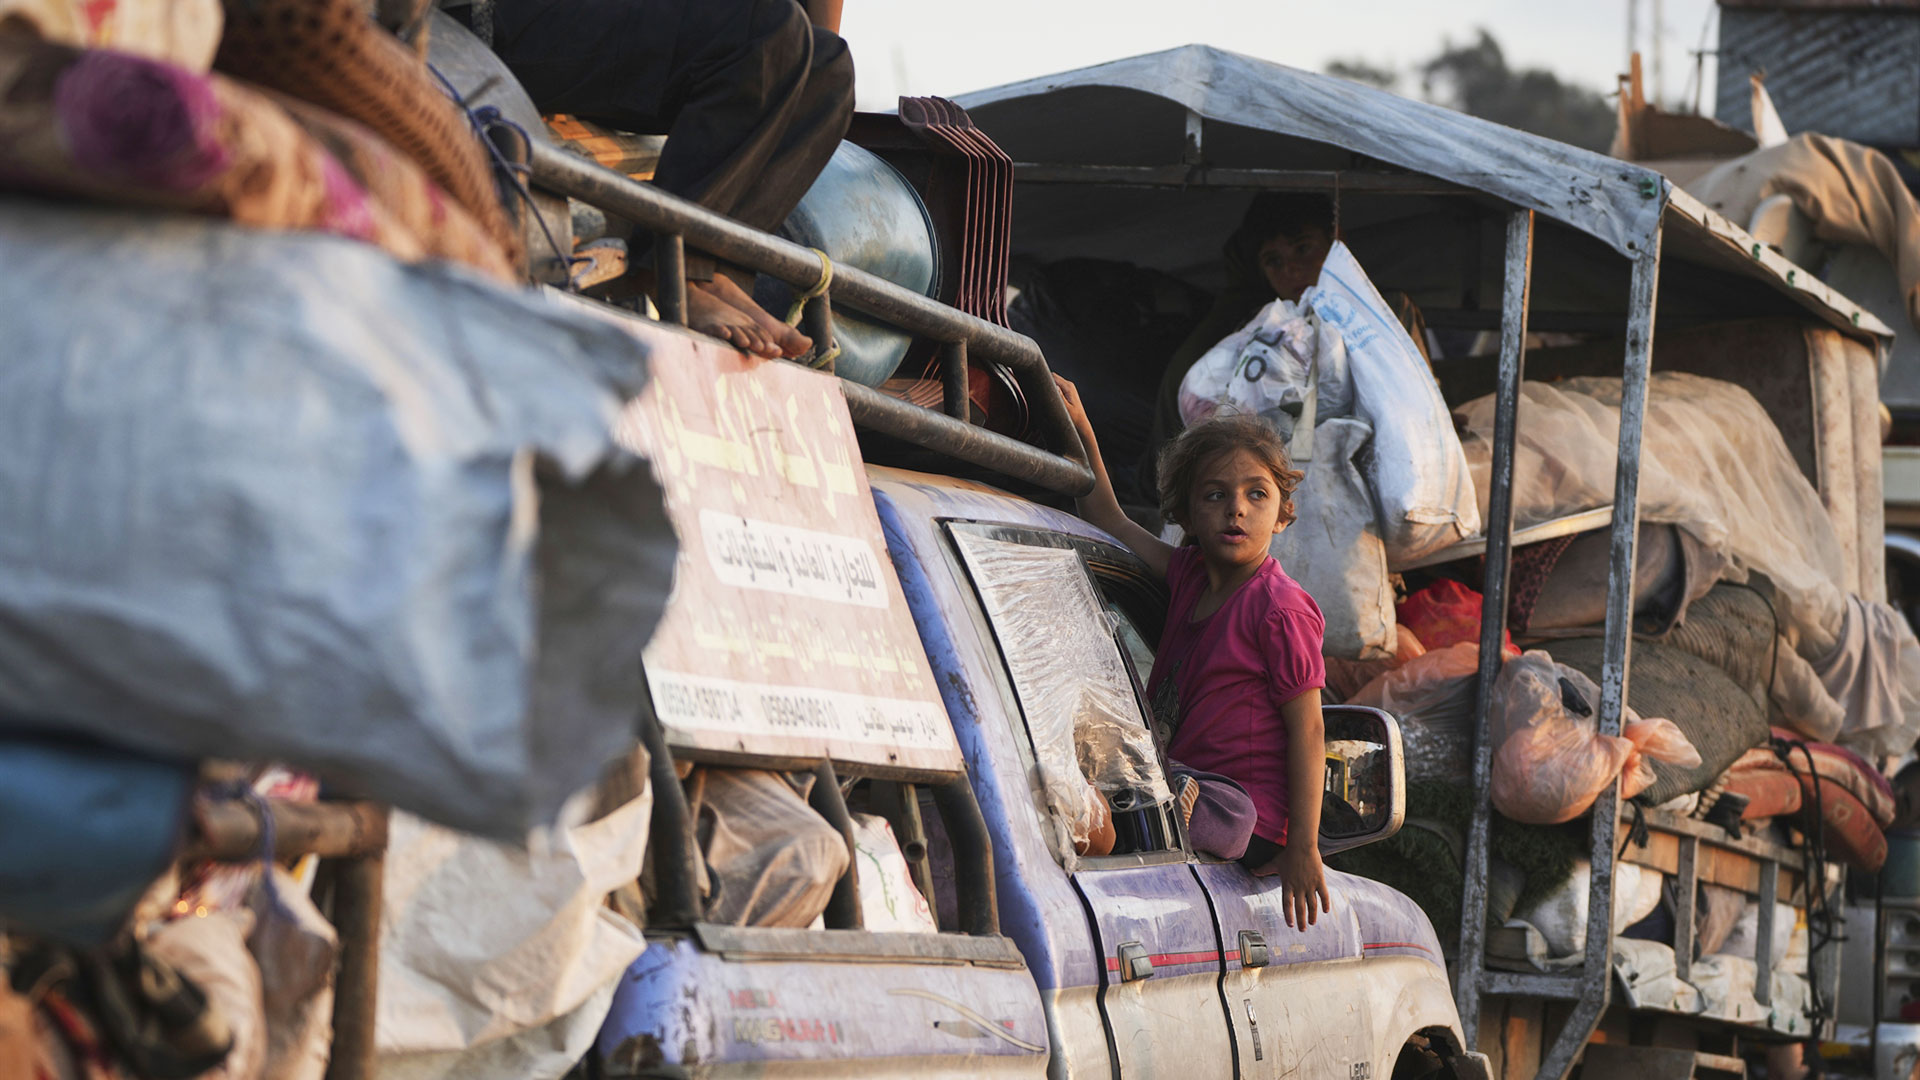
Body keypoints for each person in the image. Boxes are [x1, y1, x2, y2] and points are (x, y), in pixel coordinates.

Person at [1059, 376, 1332, 929]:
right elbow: (1109, 519)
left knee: (1228, 812)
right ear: (1185, 515)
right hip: (1178, 782)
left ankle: (1147, 806)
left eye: (1257, 494)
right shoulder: (1188, 576)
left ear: (1283, 514)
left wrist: (1304, 848)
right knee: (1132, 771)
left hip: (1249, 819)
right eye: (1215, 495)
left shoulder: (1280, 609)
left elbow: (1309, 730)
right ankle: (1142, 803)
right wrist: (1080, 428)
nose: (1237, 510)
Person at [481, 0, 854, 358]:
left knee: (827, 67)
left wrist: (798, 71)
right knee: (766, 24)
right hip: (508, 18)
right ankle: (668, 271)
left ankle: (715, 272)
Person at [1142, 193, 1333, 488]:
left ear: (1336, 242)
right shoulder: (1254, 331)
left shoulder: (1380, 315)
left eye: (1303, 248)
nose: (1291, 269)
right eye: (1273, 261)